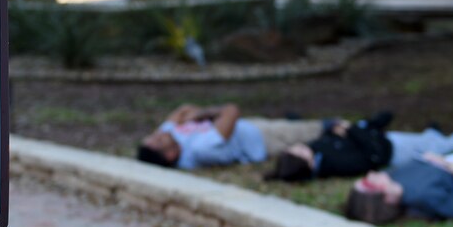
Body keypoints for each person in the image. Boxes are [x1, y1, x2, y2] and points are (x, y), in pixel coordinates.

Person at [264, 114, 453, 181]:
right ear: (310, 164)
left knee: (427, 138)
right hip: (394, 150)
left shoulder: (319, 150)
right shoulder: (338, 165)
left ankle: (432, 131)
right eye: (302, 152)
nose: (303, 147)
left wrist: (338, 130)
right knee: (441, 146)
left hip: (386, 139)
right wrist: (351, 130)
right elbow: (372, 156)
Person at [137, 103, 322, 170]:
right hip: (264, 139)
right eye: (158, 139)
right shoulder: (200, 149)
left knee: (294, 124)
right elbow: (231, 110)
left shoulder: (172, 136)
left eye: (153, 134)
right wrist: (208, 113)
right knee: (319, 129)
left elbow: (184, 109)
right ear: (170, 155)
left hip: (249, 126)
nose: (160, 133)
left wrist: (200, 114)